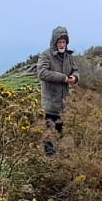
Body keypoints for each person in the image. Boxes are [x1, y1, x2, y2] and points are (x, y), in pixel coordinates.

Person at [36, 26, 77, 156]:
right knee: (49, 135)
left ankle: (60, 162)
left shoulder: (68, 56)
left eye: (64, 42)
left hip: (64, 104)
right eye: (59, 42)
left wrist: (75, 78)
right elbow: (42, 73)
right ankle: (50, 163)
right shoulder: (46, 55)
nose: (62, 44)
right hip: (50, 104)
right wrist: (63, 78)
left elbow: (75, 70)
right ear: (54, 42)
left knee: (62, 134)